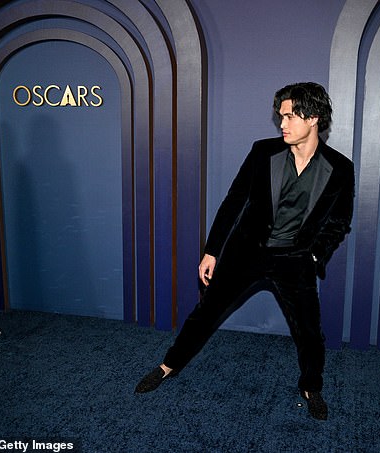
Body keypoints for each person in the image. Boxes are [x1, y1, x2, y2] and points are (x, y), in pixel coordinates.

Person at [135, 82, 354, 420]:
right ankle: (168, 365)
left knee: (310, 330)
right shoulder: (263, 152)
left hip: (295, 261)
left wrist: (314, 255)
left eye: (289, 116)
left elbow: (339, 221)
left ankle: (311, 386)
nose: (282, 124)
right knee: (205, 314)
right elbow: (234, 201)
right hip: (246, 252)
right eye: (280, 116)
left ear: (312, 118)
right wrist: (212, 251)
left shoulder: (340, 168)